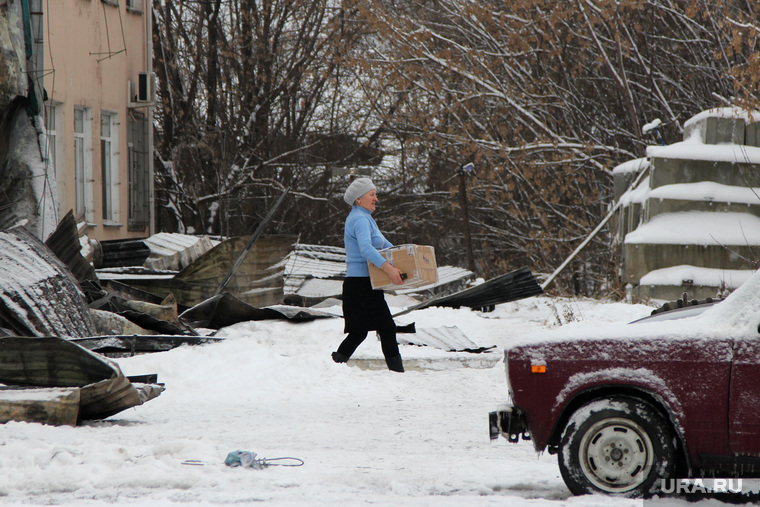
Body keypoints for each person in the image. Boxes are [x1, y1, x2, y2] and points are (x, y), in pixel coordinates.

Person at [331, 178, 405, 372]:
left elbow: (386, 246)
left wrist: (406, 256)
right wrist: (389, 268)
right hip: (360, 285)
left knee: (361, 332)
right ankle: (397, 373)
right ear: (358, 199)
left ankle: (333, 367)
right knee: (384, 328)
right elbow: (366, 248)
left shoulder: (365, 218)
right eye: (372, 195)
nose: (376, 199)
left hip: (364, 284)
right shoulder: (359, 219)